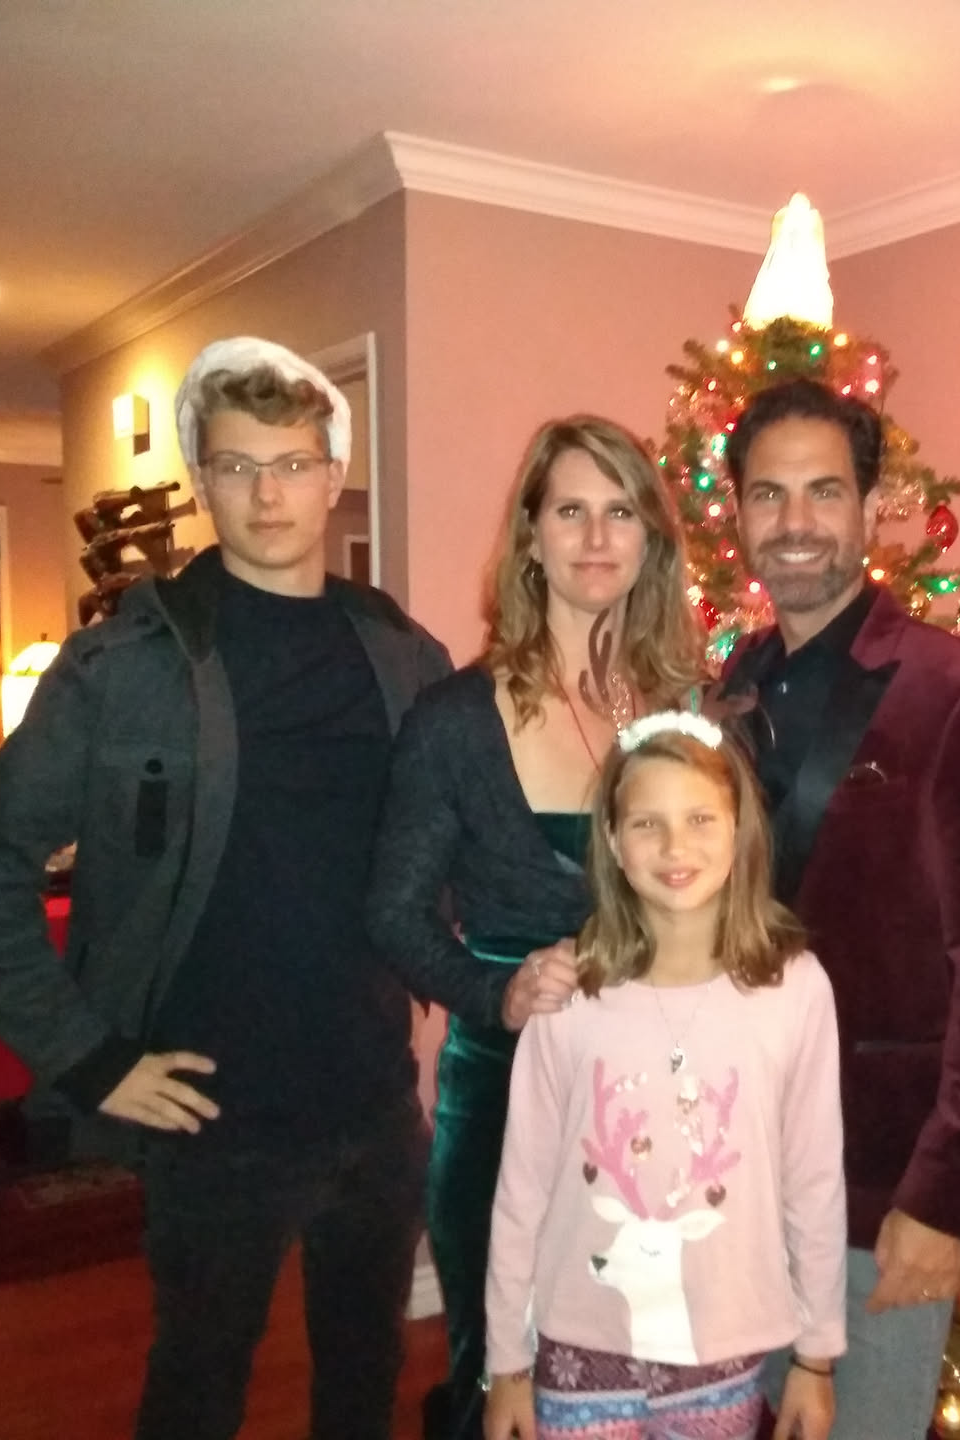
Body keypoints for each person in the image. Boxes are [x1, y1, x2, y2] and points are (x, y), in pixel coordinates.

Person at [0, 335, 453, 1440]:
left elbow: (454, 837)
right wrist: (88, 1060)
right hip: (211, 1121)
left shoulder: (402, 653)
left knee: (364, 1384)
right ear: (203, 479)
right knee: (196, 1392)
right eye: (237, 465)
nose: (268, 493)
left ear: (333, 475)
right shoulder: (124, 666)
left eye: (294, 463)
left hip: (373, 1102)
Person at [712, 378, 960, 1438]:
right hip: (728, 1168)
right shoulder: (726, 691)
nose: (796, 522)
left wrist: (949, 1197)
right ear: (737, 512)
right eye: (768, 494)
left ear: (870, 509)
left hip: (880, 1184)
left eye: (824, 492)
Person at [367, 415, 703, 1440]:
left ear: (651, 539)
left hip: (661, 1095)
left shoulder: (685, 712)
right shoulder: (455, 720)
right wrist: (495, 991)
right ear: (531, 535)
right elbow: (393, 913)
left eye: (621, 512)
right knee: (504, 1375)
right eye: (570, 511)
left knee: (642, 1365)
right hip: (513, 1097)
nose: (596, 538)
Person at [481, 713, 846, 1440]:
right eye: (647, 824)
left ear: (739, 830)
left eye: (700, 819)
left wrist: (816, 1356)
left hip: (723, 1353)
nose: (676, 847)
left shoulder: (794, 989)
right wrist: (507, 1364)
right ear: (614, 842)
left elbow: (813, 1179)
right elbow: (522, 1190)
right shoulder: (569, 995)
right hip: (579, 1351)